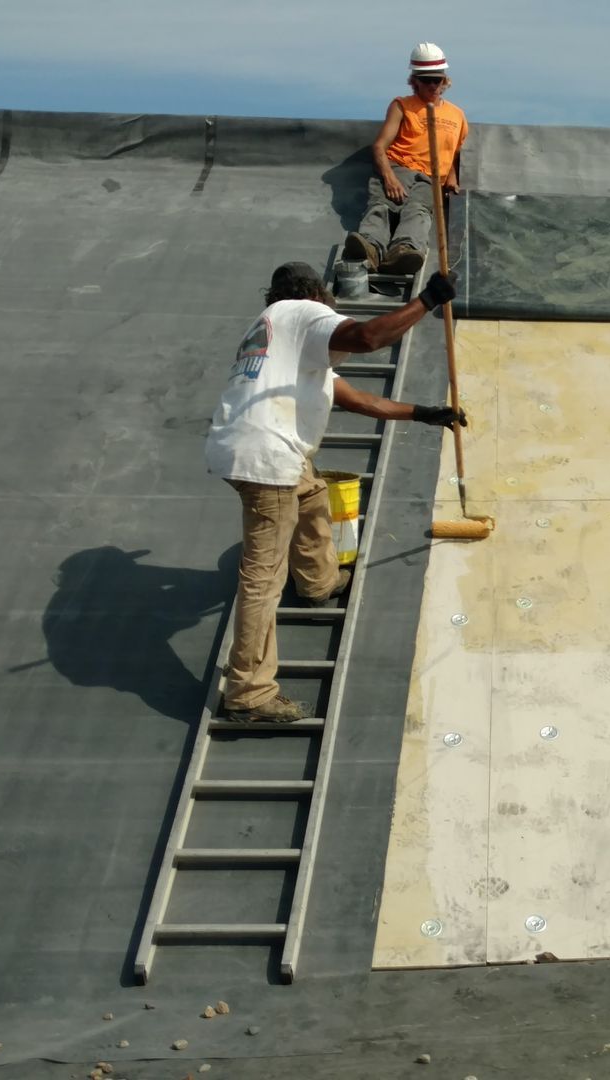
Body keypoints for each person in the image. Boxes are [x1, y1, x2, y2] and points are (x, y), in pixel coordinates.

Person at [205, 263, 462, 721]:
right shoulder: (303, 313)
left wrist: (425, 413)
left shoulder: (280, 342)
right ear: (318, 297)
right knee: (263, 578)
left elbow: (363, 401)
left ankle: (319, 581)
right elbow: (367, 338)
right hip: (267, 458)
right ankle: (248, 693)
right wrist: (427, 301)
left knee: (311, 495)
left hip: (251, 447)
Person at [343, 42, 469, 276]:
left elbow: (455, 152)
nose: (432, 85)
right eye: (426, 79)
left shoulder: (457, 115)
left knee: (419, 211)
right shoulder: (402, 106)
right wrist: (389, 178)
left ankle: (404, 251)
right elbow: (379, 146)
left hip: (430, 179)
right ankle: (369, 247)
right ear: (415, 81)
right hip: (398, 167)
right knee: (382, 206)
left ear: (445, 81)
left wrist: (452, 177)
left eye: (437, 80)